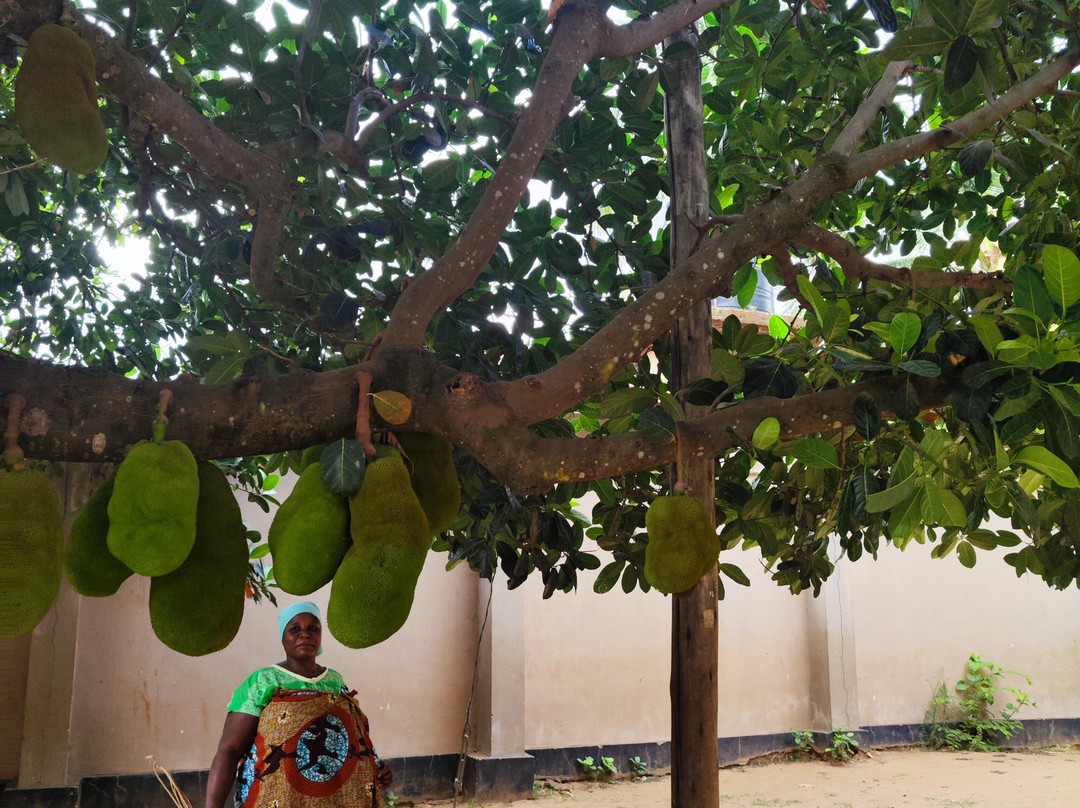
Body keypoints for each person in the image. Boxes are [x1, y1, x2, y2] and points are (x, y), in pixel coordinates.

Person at [205, 602, 391, 808]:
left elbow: (352, 737)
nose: (305, 634)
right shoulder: (263, 682)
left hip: (333, 798)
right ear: (283, 638)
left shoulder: (335, 682)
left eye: (313, 628)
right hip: (277, 798)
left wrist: (377, 767)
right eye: (295, 629)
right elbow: (229, 750)